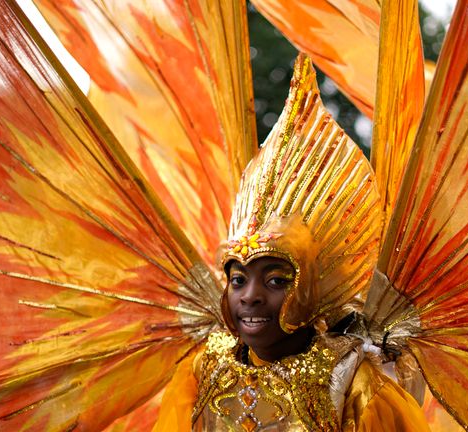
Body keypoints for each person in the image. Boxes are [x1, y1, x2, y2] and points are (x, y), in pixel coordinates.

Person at [152, 54, 429, 431]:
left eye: (276, 280)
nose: (249, 296)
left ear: (315, 291)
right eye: (238, 279)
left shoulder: (355, 386)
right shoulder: (202, 370)